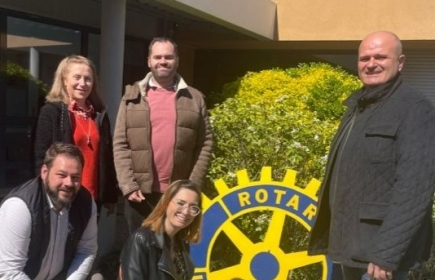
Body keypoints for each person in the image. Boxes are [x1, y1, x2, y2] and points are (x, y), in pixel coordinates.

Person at [308, 31, 435, 280]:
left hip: (377, 257)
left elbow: (415, 189)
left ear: (400, 63)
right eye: (364, 58)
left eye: (380, 57)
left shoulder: (415, 109)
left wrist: (386, 254)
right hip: (348, 247)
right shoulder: (359, 106)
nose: (371, 64)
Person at [113, 37, 213, 233]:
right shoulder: (132, 96)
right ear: (149, 61)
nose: (163, 61)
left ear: (177, 60)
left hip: (177, 193)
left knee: (172, 251)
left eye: (168, 57)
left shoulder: (195, 98)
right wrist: (128, 185)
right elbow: (120, 143)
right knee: (137, 252)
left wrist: (191, 185)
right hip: (140, 193)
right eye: (157, 57)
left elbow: (205, 143)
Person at [34, 55, 118, 215]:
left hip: (92, 198)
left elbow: (108, 157)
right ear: (64, 80)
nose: (83, 83)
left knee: (87, 240)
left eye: (88, 79)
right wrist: (43, 194)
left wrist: (110, 195)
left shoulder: (99, 115)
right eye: (77, 77)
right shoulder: (52, 112)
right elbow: (40, 157)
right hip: (62, 196)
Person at [0, 142, 98, 279]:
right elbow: (8, 271)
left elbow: (86, 250)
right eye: (61, 175)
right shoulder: (19, 207)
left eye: (75, 177)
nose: (69, 183)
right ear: (44, 172)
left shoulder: (86, 202)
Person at [118, 180, 202, 279]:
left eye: (193, 207)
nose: (186, 211)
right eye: (180, 203)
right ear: (166, 202)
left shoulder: (182, 244)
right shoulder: (142, 239)